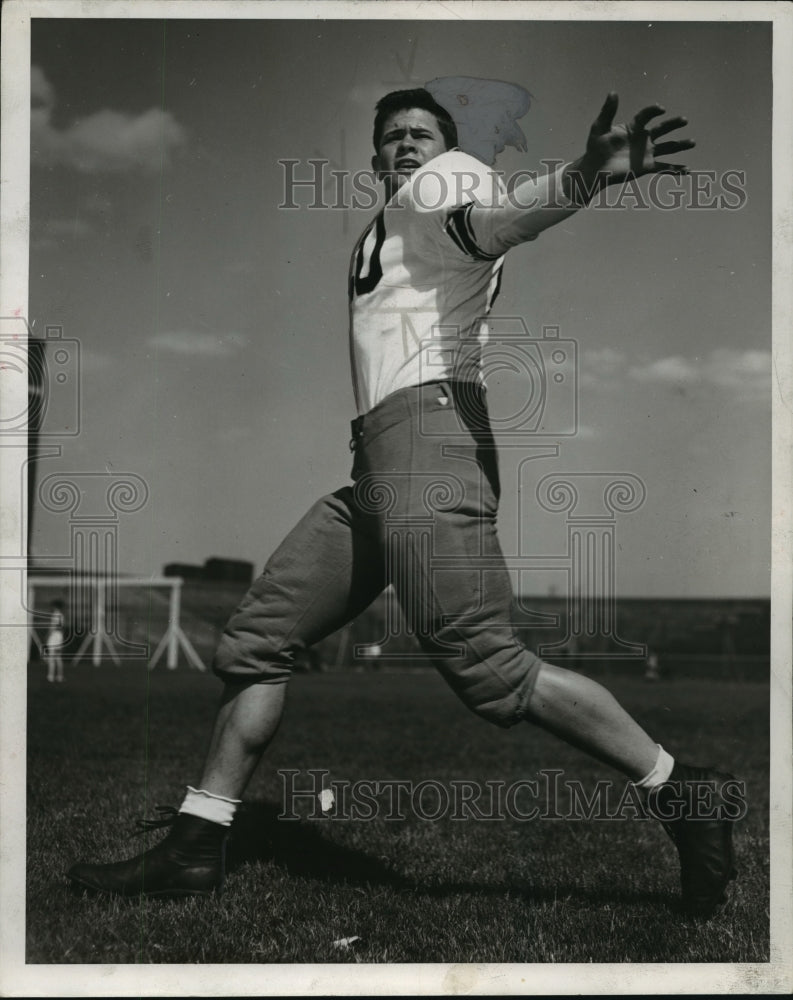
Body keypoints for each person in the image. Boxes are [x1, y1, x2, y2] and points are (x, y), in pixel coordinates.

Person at [67, 88, 739, 917]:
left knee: (487, 666)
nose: (409, 145)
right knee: (258, 638)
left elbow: (493, 224)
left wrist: (583, 175)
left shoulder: (445, 183)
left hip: (428, 439)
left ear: (447, 149)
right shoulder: (388, 223)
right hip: (380, 463)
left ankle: (685, 793)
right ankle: (198, 844)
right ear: (374, 158)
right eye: (392, 137)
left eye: (422, 132)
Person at [44, 599, 65, 684]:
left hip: (54, 636)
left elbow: (52, 627)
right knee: (58, 658)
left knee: (51, 657)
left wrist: (47, 636)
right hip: (59, 636)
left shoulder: (55, 615)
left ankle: (50, 676)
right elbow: (62, 628)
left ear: (55, 607)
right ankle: (60, 676)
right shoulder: (62, 616)